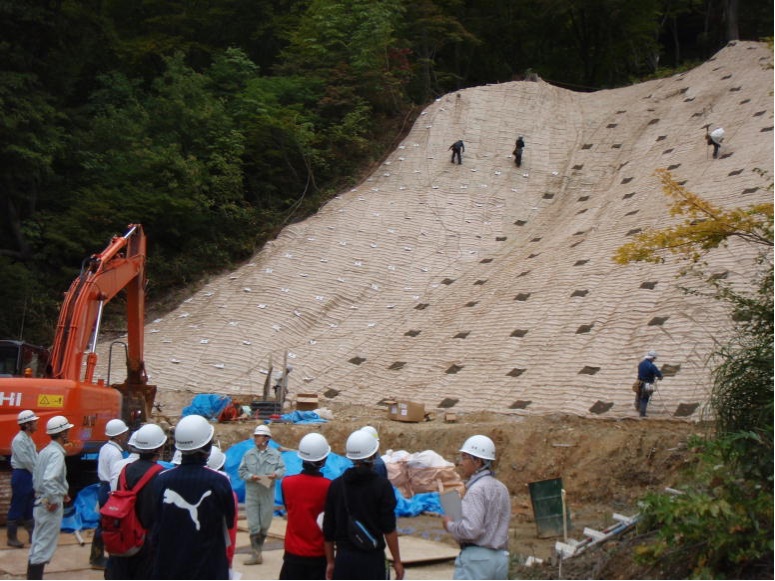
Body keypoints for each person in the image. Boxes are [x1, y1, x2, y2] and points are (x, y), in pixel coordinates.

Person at [149, 414, 235, 579]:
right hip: (208, 568)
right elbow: (229, 522)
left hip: (169, 567)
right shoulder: (220, 481)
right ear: (208, 447)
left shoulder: (161, 480)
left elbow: (155, 522)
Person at [323, 429, 404, 580]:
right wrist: (397, 561)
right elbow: (389, 528)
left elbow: (328, 529)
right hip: (372, 560)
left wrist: (330, 562)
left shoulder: (336, 486)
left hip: (344, 561)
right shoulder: (382, 486)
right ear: (373, 455)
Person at [443, 435, 510, 580]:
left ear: (478, 461)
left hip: (477, 561)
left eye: (465, 457)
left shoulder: (476, 490)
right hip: (501, 559)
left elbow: (471, 530)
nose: (461, 463)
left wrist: (449, 523)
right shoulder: (501, 488)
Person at [105, 423, 166, 580]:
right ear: (160, 448)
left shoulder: (125, 470)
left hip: (124, 536)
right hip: (145, 543)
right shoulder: (160, 475)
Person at [26, 415, 74, 580]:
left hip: (39, 502)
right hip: (48, 505)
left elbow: (38, 477)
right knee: (44, 545)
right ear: (63, 434)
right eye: (67, 430)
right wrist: (54, 499)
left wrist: (63, 491)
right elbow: (49, 479)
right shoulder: (56, 454)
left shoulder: (45, 451)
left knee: (38, 543)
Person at [280, 433, 332, 580]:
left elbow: (288, 508)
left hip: (292, 556)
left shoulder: (287, 483)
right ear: (323, 459)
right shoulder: (328, 486)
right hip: (318, 555)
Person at [238, 424, 286, 565]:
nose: (255, 438)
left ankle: (259, 549)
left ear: (266, 438)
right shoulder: (248, 454)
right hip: (252, 491)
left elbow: (282, 469)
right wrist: (251, 476)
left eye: (258, 436)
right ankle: (255, 553)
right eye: (255, 436)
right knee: (253, 524)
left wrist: (274, 475)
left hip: (267, 492)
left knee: (265, 523)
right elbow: (241, 472)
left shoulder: (275, 455)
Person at [90, 418, 130, 569]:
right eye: (125, 433)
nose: (126, 436)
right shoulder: (115, 454)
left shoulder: (105, 448)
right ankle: (99, 558)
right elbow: (115, 476)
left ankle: (96, 555)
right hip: (109, 490)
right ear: (119, 436)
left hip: (103, 487)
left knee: (102, 523)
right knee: (108, 525)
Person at [7, 410, 39, 548]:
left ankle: (32, 535)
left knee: (29, 505)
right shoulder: (19, 440)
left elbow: (34, 458)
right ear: (27, 424)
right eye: (34, 422)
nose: (36, 424)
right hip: (22, 475)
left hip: (28, 474)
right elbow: (27, 461)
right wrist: (39, 472)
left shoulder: (27, 438)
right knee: (18, 504)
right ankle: (11, 537)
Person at [636, 350, 663, 418]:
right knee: (645, 398)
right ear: (652, 358)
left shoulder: (641, 363)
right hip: (647, 384)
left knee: (639, 396)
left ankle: (638, 408)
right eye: (654, 358)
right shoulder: (651, 366)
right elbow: (658, 374)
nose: (654, 360)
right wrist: (660, 376)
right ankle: (642, 414)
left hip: (639, 383)